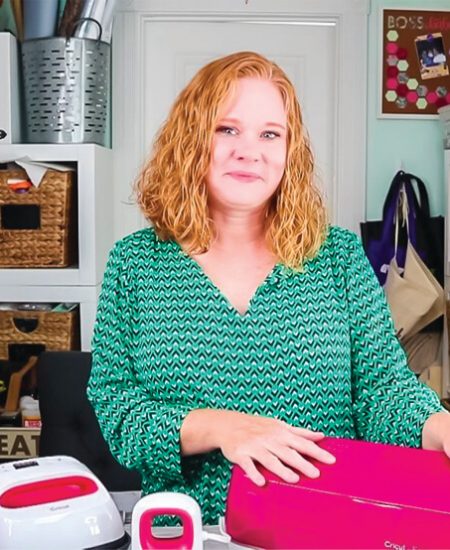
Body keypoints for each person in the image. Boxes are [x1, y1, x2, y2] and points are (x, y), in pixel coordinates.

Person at [87, 51, 450, 525]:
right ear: (191, 139)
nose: (249, 150)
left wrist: (436, 424)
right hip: (186, 531)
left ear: (288, 151)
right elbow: (117, 409)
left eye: (270, 134)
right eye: (227, 129)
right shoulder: (135, 264)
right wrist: (222, 426)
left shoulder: (336, 257)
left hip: (322, 525)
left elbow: (382, 390)